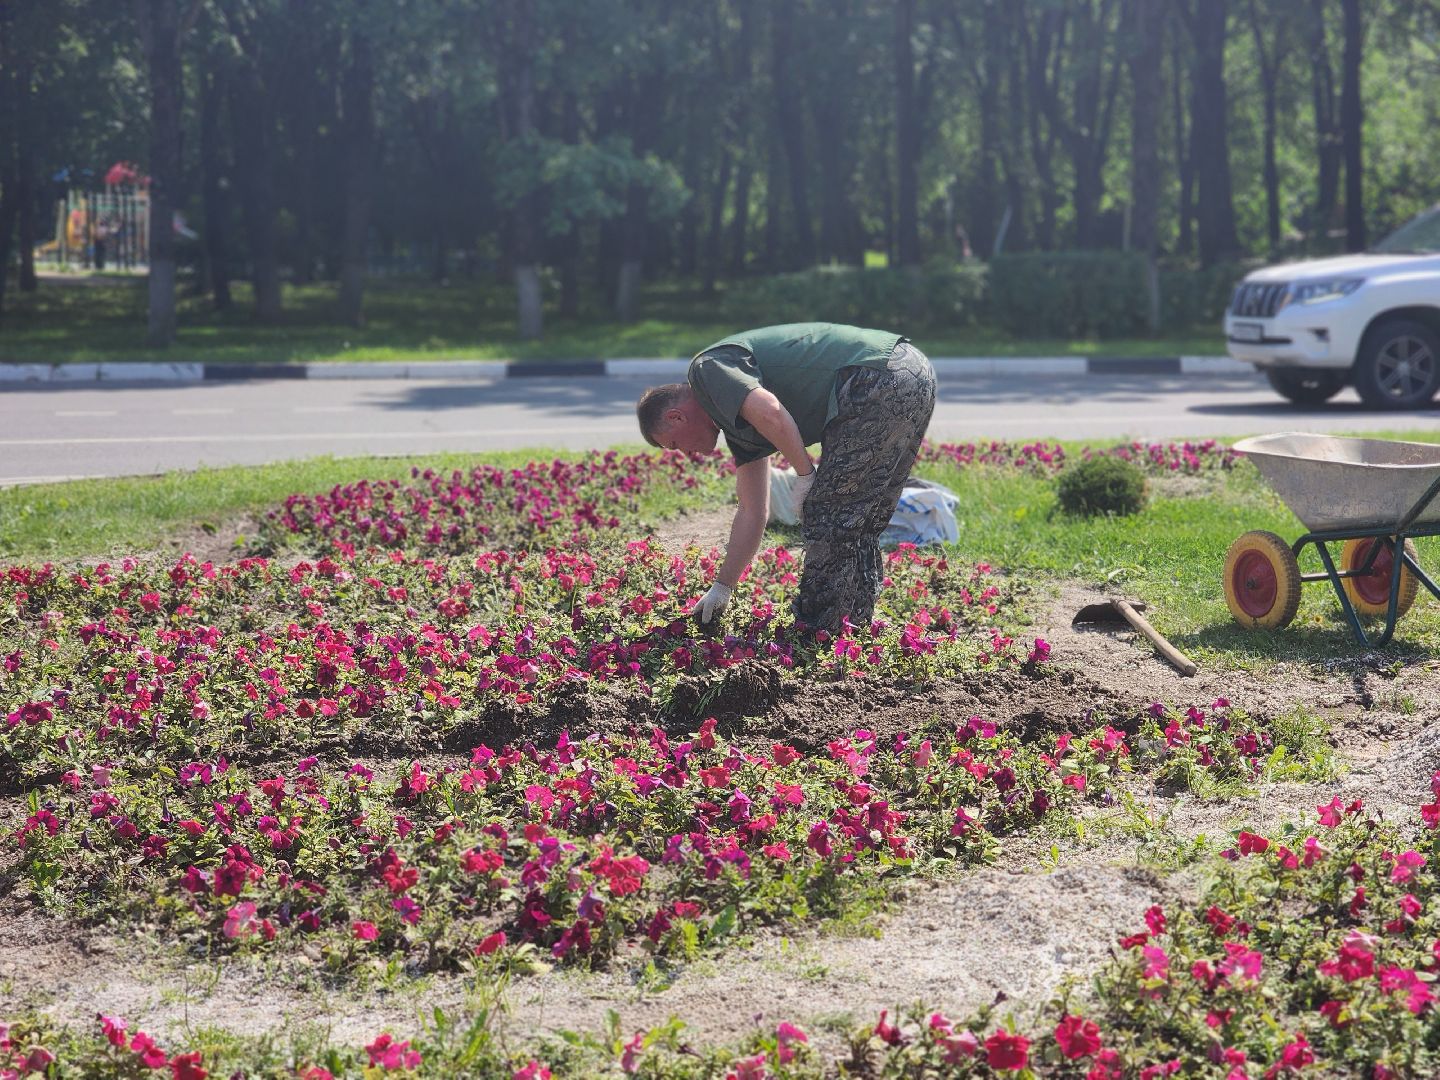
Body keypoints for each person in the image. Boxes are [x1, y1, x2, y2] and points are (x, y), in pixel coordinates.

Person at [636, 322, 937, 633]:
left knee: (825, 513)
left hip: (874, 375)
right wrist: (722, 588)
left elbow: (770, 412)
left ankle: (816, 632)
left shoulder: (706, 370)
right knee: (861, 519)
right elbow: (753, 512)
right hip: (912, 372)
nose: (686, 454)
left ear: (676, 416)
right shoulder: (738, 428)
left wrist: (806, 476)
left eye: (674, 445)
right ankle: (854, 628)